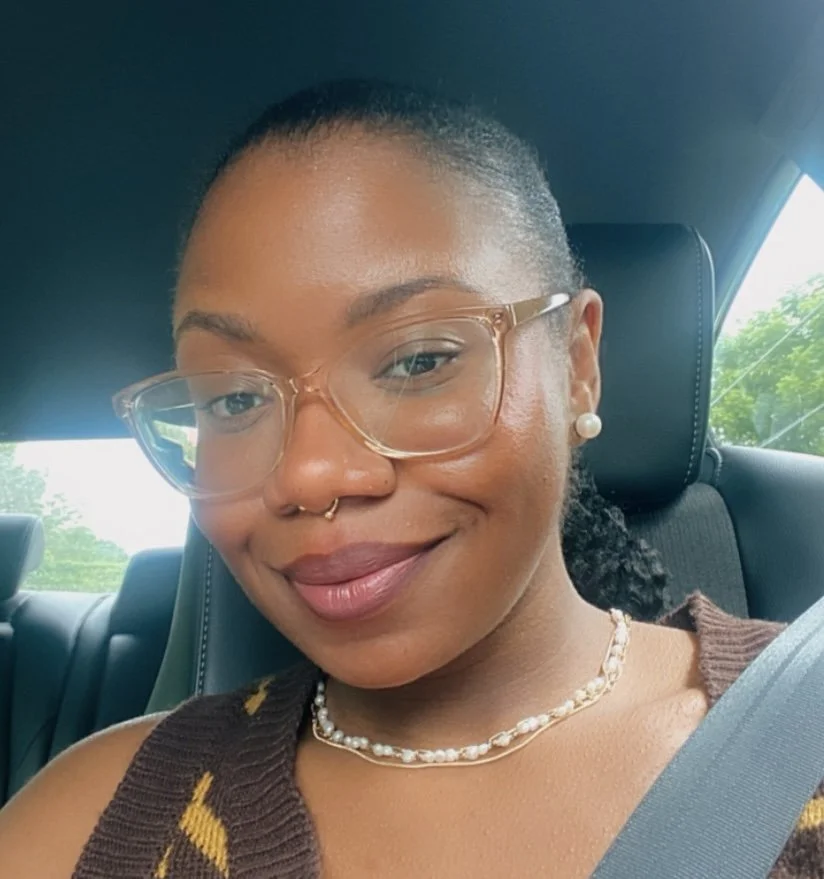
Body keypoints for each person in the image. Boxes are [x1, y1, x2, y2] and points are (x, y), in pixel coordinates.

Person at [0, 80, 818, 878]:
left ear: (577, 363)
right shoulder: (84, 821)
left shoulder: (800, 737)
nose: (309, 474)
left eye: (418, 360)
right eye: (236, 398)